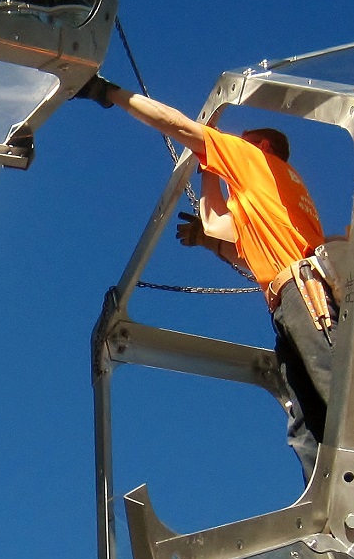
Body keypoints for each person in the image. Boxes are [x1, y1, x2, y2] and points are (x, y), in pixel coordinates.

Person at [83, 76, 338, 479]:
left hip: (300, 293)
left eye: (242, 139)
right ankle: (331, 496)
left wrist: (111, 93)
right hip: (291, 297)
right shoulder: (275, 190)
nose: (232, 143)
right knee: (306, 422)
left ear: (263, 145)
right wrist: (208, 179)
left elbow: (178, 125)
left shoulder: (255, 160)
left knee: (332, 391)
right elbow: (217, 223)